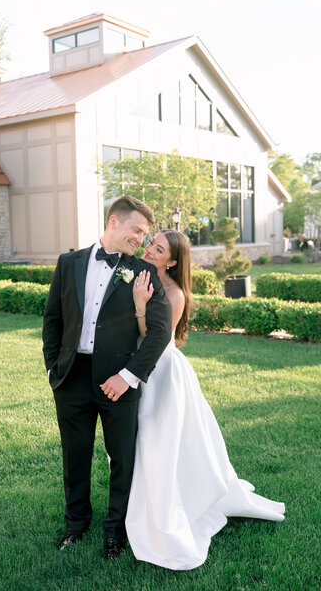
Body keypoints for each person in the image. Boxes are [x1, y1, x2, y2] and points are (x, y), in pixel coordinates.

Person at [126, 229, 285, 570]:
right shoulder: (138, 271)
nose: (150, 249)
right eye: (150, 243)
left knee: (159, 441)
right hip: (132, 366)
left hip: (161, 372)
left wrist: (140, 306)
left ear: (172, 261)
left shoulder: (175, 293)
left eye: (159, 249)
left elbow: (154, 339)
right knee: (140, 440)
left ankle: (167, 506)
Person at [42, 196, 172, 560]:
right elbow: (53, 319)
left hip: (120, 380)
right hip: (72, 377)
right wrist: (54, 367)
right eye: (137, 231)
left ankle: (116, 531)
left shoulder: (143, 273)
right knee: (75, 454)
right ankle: (76, 525)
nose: (141, 241)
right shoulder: (68, 263)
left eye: (146, 235)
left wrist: (128, 376)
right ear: (113, 221)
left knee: (123, 459)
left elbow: (160, 333)